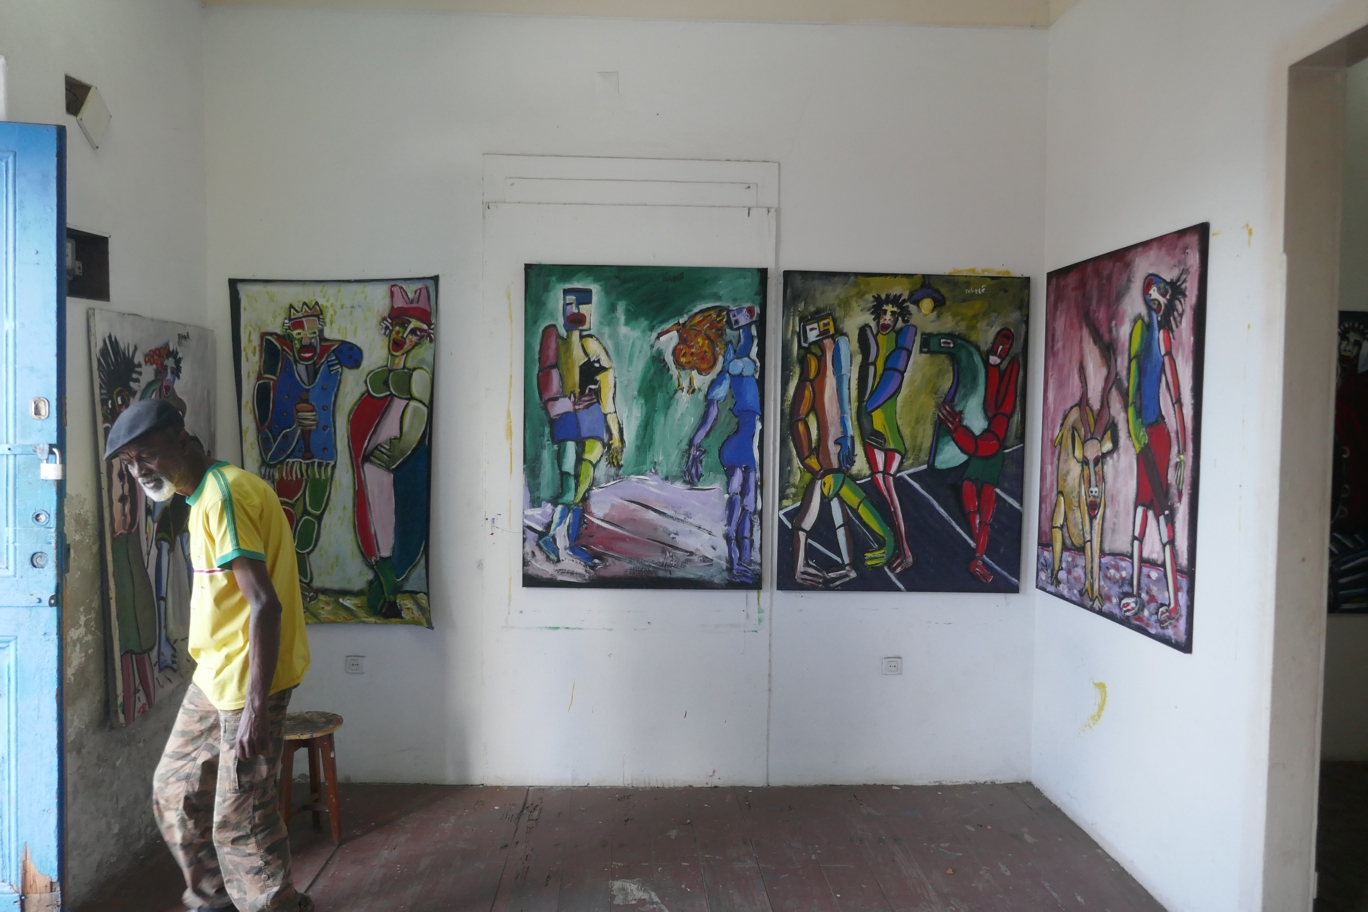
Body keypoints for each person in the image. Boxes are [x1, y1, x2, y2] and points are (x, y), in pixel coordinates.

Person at [105, 398, 313, 912]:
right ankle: (215, 900)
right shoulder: (199, 496)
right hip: (216, 673)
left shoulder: (224, 496)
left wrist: (257, 707)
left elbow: (264, 604)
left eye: (146, 455)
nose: (139, 471)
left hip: (249, 682)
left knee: (242, 816)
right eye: (129, 462)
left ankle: (275, 907)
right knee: (174, 789)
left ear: (180, 439)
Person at [790, 312, 894, 587]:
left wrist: (844, 434)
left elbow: (837, 401)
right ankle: (820, 567)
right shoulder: (820, 360)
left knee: (824, 516)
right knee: (824, 515)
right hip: (829, 455)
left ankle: (834, 566)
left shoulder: (835, 354)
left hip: (833, 453)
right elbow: (800, 417)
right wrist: (810, 457)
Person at [536, 287, 625, 565]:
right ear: (563, 307)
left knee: (582, 484)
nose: (576, 311)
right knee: (568, 480)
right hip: (566, 419)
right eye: (570, 303)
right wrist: (567, 404)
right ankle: (553, 536)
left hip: (593, 420)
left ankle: (567, 542)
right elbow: (548, 396)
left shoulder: (594, 347)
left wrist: (615, 434)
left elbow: (608, 397)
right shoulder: (553, 341)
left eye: (583, 304)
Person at [1119, 272, 1189, 627]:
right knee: (1139, 513)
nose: (1157, 299)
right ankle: (1133, 592)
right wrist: (1133, 424)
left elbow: (1175, 397)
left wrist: (1182, 452)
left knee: (1161, 515)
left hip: (1158, 437)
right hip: (1142, 434)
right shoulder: (1139, 332)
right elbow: (1133, 384)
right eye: (1153, 293)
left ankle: (1174, 602)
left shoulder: (1162, 337)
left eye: (1162, 294)